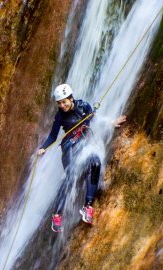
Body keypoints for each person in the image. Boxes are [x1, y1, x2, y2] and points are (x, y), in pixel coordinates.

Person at [37, 83, 126, 232]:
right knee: (71, 176)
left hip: (85, 144)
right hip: (69, 147)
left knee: (96, 163)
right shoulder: (59, 116)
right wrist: (43, 148)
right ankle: (57, 215)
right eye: (59, 103)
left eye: (64, 101)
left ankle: (87, 207)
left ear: (71, 98)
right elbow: (53, 136)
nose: (62, 105)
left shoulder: (84, 106)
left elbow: (95, 119)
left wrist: (112, 122)